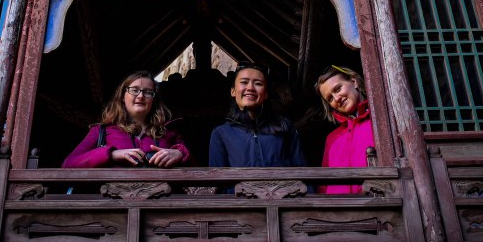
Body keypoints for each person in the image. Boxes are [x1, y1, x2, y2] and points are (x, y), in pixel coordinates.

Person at [62, 70, 191, 168]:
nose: (141, 96)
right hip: (112, 196)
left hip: (163, 196)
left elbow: (197, 170)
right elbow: (68, 164)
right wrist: (112, 154)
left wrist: (180, 154)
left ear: (153, 100)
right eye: (134, 90)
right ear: (123, 97)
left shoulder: (170, 133)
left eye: (147, 92)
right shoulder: (101, 131)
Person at [209, 63, 306, 167]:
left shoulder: (284, 126)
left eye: (258, 83)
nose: (250, 88)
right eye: (244, 82)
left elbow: (301, 170)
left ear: (265, 94)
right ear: (233, 91)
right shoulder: (221, 133)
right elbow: (217, 175)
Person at [314, 65, 374, 194]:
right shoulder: (332, 139)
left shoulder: (379, 122)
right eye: (330, 98)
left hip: (377, 201)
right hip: (340, 205)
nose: (336, 99)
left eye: (338, 89)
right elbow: (324, 186)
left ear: (354, 82)